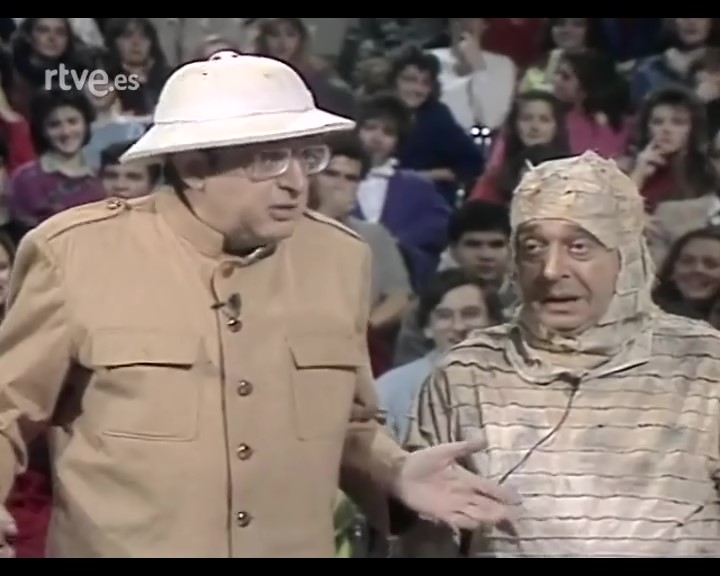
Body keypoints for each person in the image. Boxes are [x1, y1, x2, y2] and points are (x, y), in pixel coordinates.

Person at [0, 51, 515, 558]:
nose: (297, 181)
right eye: (269, 159)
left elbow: (348, 423)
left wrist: (393, 471)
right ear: (194, 166)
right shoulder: (76, 255)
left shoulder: (340, 258)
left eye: (306, 156)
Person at [407, 150, 720, 557]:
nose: (551, 270)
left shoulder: (703, 363)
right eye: (533, 247)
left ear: (624, 255)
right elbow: (424, 539)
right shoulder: (466, 372)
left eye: (579, 247)